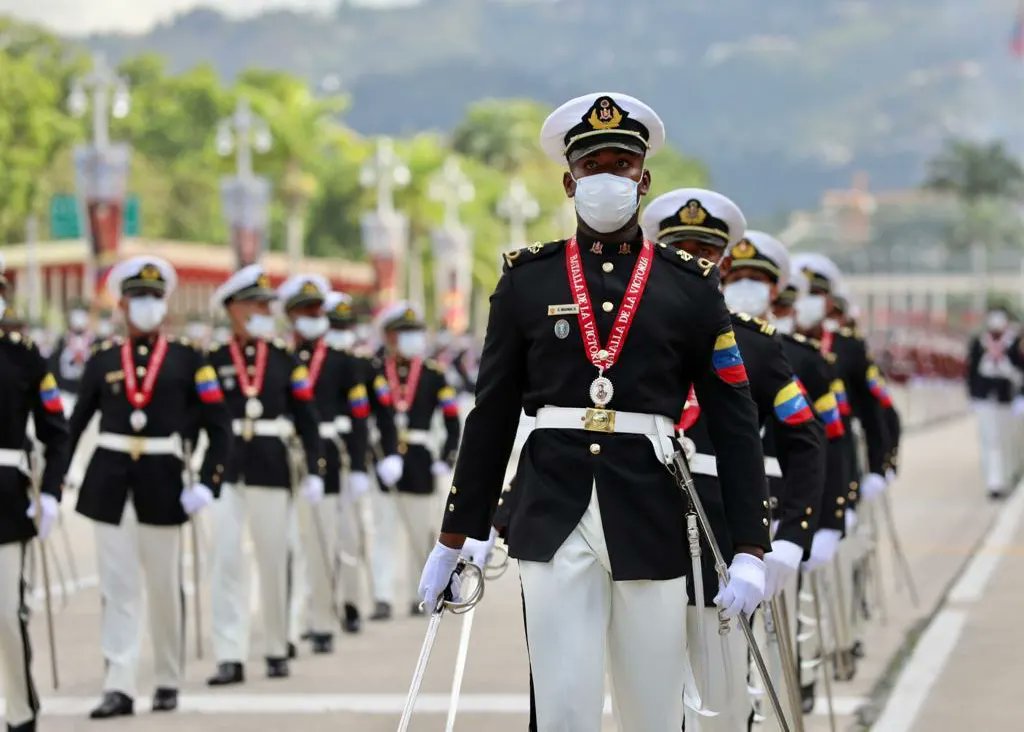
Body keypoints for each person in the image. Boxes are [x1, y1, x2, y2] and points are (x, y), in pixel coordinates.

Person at [418, 92, 770, 731]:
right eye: (593, 166)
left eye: (621, 165)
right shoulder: (528, 280)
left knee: (653, 709)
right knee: (563, 709)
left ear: (644, 179)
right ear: (568, 179)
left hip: (652, 512)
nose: (607, 178)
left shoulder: (689, 285)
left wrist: (750, 545)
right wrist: (458, 531)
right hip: (552, 509)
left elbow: (735, 416)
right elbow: (491, 413)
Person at [640, 197, 826, 730]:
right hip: (639, 522)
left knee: (720, 697)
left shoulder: (754, 342)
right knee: (647, 697)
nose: (693, 260)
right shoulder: (623, 332)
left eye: (706, 251)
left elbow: (804, 440)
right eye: (680, 249)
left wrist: (791, 535)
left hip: (721, 528)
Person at [67, 256, 232, 719]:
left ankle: (166, 679)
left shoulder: (189, 359)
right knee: (117, 588)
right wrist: (52, 481)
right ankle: (118, 684)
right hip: (109, 482)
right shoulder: (102, 360)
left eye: (155, 298)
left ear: (165, 305)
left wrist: (207, 482)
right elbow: (75, 425)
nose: (146, 306)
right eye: (138, 297)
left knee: (163, 586)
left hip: (164, 480)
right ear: (121, 304)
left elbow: (220, 426)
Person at [205, 265, 324, 685]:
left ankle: (276, 646)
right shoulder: (214, 359)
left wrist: (314, 467)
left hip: (272, 464)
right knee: (225, 561)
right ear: (234, 309)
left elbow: (306, 417)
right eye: (255, 304)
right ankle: (229, 654)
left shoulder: (283, 359)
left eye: (265, 304)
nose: (263, 311)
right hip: (224, 467)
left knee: (274, 557)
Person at [790, 252, 893, 678]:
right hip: (799, 462)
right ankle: (808, 663)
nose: (810, 302)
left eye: (817, 293)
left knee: (844, 560)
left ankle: (843, 642)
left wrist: (878, 467)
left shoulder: (848, 347)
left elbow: (875, 410)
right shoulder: (782, 346)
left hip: (844, 458)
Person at [278, 274, 376, 653]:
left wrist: (356, 468)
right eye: (305, 311)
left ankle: (321, 621)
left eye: (317, 310)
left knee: (322, 546)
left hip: (328, 459)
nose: (313, 317)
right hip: (283, 456)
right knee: (287, 546)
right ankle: (288, 626)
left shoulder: (344, 363)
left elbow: (360, 415)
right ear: (290, 316)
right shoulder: (279, 357)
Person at [0, 261, 70, 732]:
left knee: (6, 610)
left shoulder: (24, 357)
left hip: (3, 496)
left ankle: (21, 711)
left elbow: (55, 430)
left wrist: (49, 493)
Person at [322, 291, 402, 630]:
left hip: (354, 457)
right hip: (316, 456)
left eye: (346, 324)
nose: (341, 330)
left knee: (350, 534)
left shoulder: (364, 365)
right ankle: (317, 608)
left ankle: (351, 602)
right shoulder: (306, 361)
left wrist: (390, 453)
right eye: (335, 324)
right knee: (318, 537)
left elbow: (383, 412)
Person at [376, 302, 461, 618]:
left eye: (416, 332)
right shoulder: (376, 371)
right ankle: (382, 595)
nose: (412, 339)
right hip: (386, 461)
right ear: (390, 336)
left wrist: (445, 457)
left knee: (420, 529)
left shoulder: (433, 375)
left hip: (420, 458)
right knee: (383, 531)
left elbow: (453, 420)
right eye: (405, 333)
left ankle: (418, 592)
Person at [966, 306, 1020, 498]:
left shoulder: (1014, 343)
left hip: (1007, 399)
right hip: (984, 399)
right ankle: (993, 482)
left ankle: (1006, 477)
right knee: (989, 441)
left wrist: (1009, 370)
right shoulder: (979, 343)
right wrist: (972, 396)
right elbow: (971, 371)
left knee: (1005, 442)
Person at [47, 299, 94, 412]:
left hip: (87, 394)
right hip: (65, 392)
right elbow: (53, 365)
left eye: (82, 314)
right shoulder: (63, 340)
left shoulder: (95, 341)